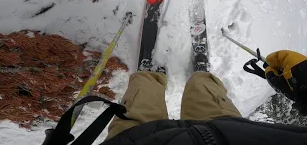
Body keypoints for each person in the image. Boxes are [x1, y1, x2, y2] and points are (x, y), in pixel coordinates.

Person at [102, 50, 307, 145]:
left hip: (132, 139)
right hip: (230, 132)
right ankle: (201, 74)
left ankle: (149, 76)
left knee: (141, 95)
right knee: (205, 87)